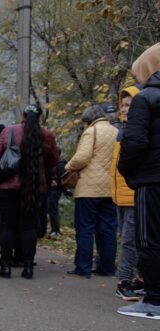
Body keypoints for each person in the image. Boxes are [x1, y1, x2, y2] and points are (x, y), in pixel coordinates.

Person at [0, 104, 59, 279]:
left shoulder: (9, 131)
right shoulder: (47, 135)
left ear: (23, 115)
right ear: (40, 117)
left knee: (7, 227)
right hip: (34, 187)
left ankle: (5, 267)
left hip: (7, 188)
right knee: (29, 227)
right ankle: (28, 268)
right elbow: (53, 161)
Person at [117, 42, 160, 319]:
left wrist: (128, 172)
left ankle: (154, 300)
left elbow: (133, 143)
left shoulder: (146, 98)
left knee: (150, 239)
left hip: (152, 180)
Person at [64, 105, 119, 278]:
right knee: (107, 229)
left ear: (88, 121)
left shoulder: (91, 132)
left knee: (85, 228)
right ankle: (107, 267)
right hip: (110, 188)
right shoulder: (115, 131)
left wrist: (68, 166)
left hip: (88, 189)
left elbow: (82, 157)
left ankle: (83, 267)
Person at [111, 85, 143, 300]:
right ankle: (135, 279)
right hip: (121, 195)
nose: (124, 109)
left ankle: (125, 280)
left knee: (131, 240)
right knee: (129, 238)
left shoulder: (136, 131)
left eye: (129, 105)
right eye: (122, 104)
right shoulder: (122, 130)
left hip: (132, 193)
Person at [47, 150, 66, 236]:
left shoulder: (60, 164)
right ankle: (54, 229)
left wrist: (56, 183)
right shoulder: (54, 163)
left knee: (53, 210)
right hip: (52, 190)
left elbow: (62, 178)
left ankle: (56, 230)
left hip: (55, 190)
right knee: (52, 210)